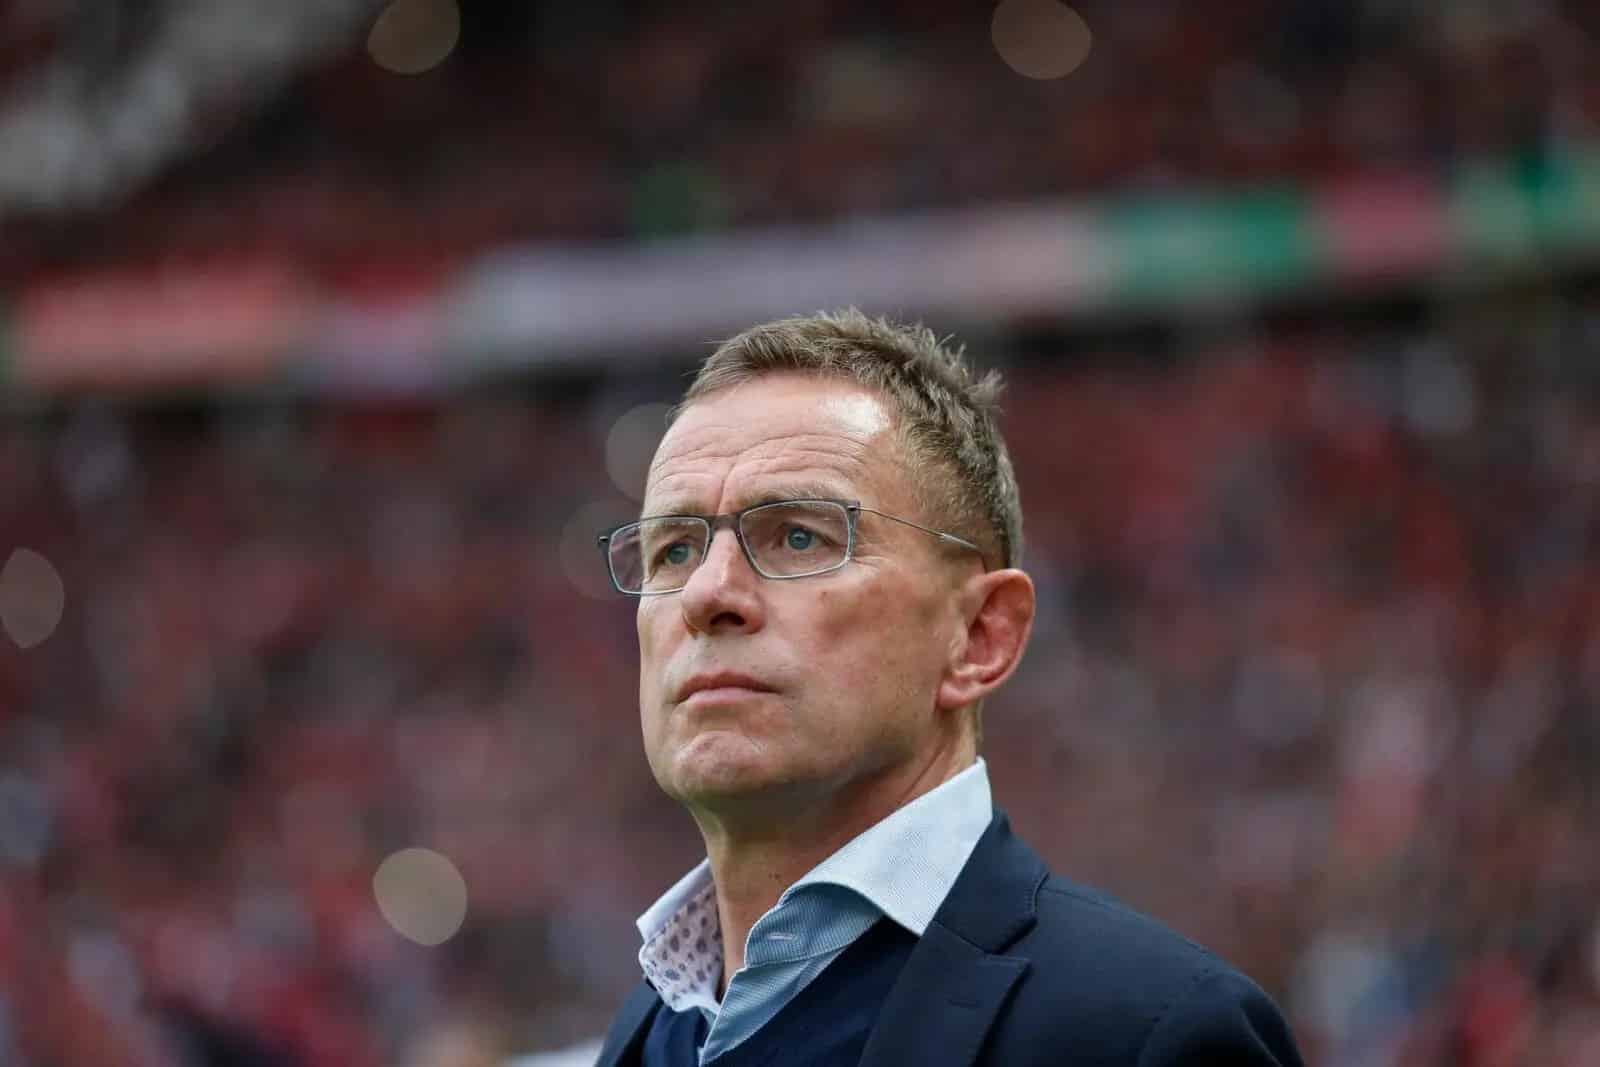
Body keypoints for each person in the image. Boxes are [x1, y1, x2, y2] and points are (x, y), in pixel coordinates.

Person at [592, 310, 1304, 1067]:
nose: (706, 594)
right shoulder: (645, 1034)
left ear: (980, 635)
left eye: (800, 536)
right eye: (674, 550)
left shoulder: (1155, 1034)